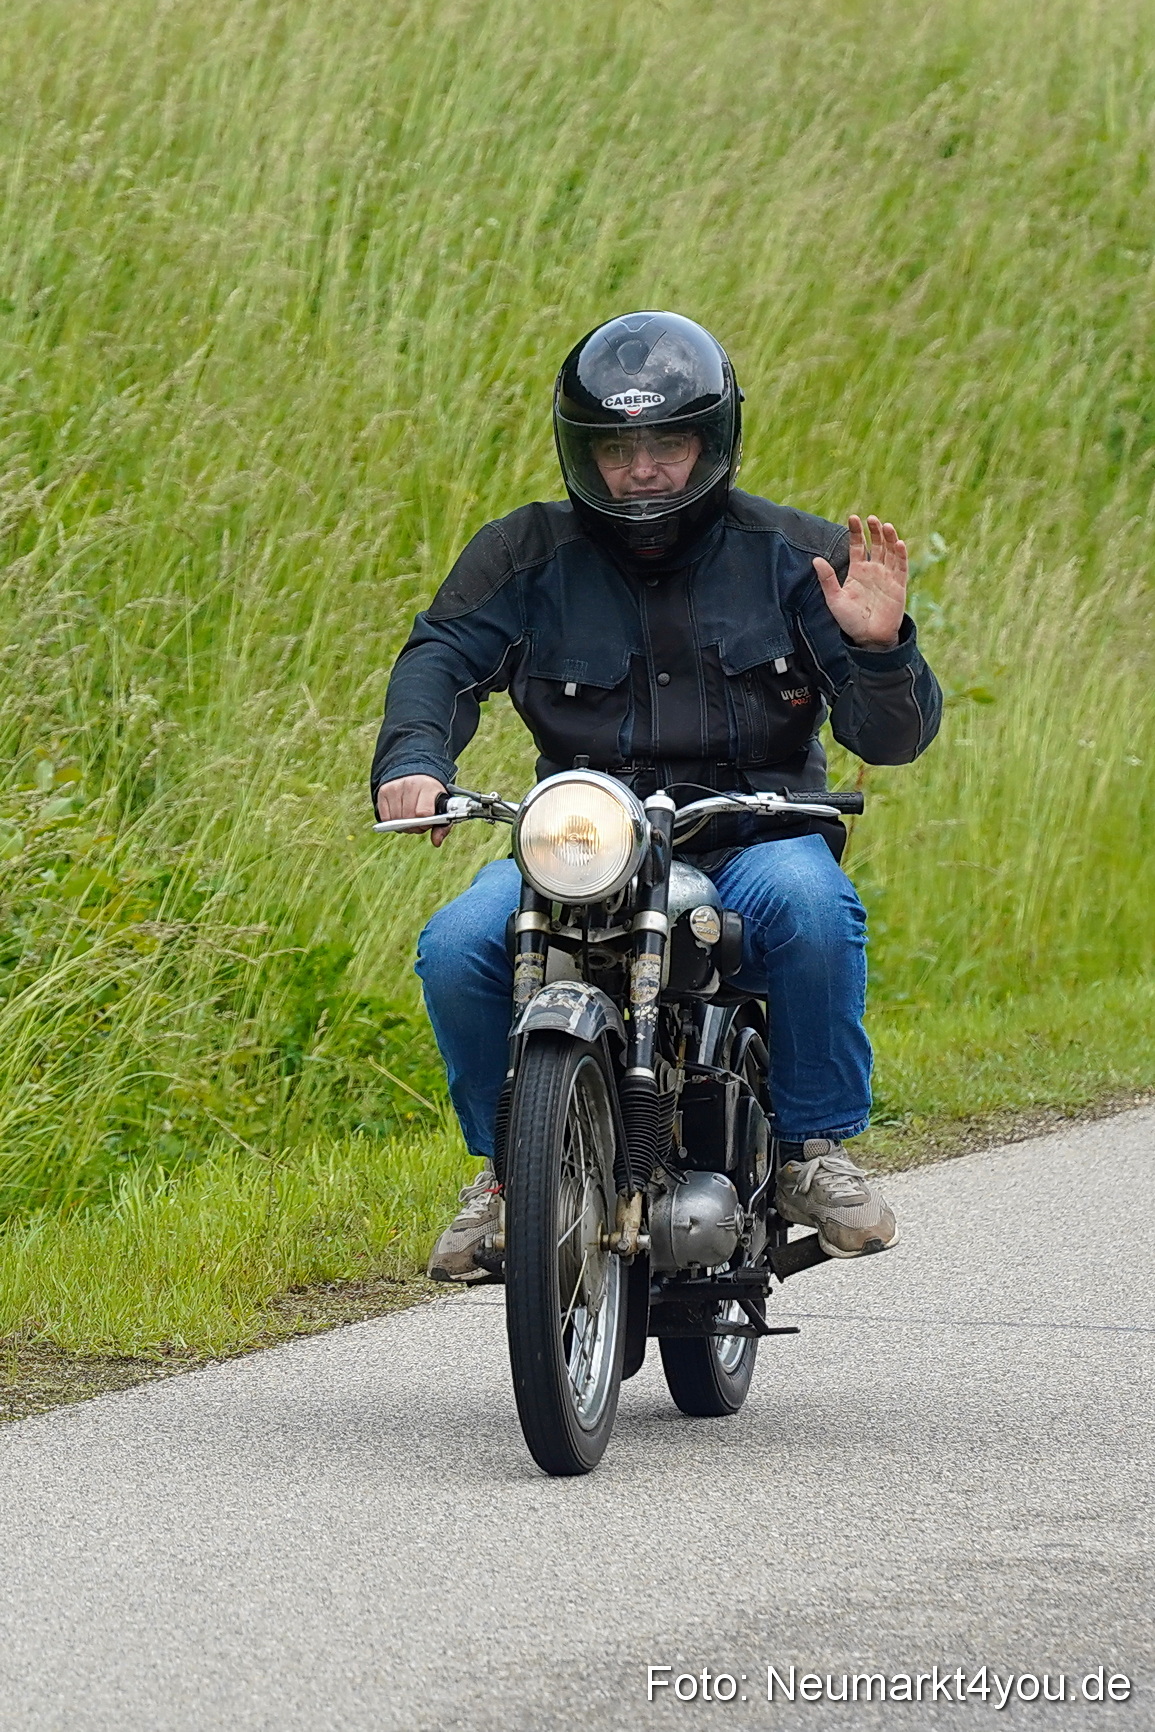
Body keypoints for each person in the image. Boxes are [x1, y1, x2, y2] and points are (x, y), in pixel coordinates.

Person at [372, 311, 942, 1282]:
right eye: (618, 448)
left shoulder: (794, 556)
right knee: (459, 946)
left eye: (666, 444)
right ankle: (509, 1173)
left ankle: (812, 1149)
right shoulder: (522, 556)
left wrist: (880, 649)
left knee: (814, 906)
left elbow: (889, 738)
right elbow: (442, 657)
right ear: (580, 453)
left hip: (752, 833)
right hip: (587, 843)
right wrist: (412, 760)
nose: (642, 470)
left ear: (709, 443)